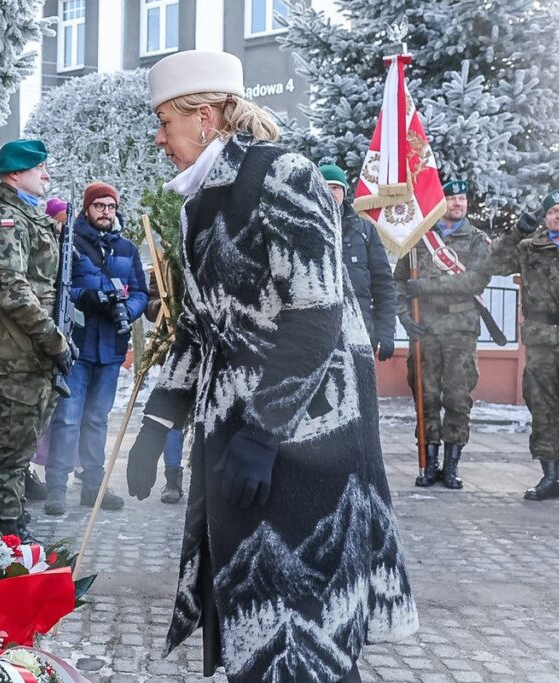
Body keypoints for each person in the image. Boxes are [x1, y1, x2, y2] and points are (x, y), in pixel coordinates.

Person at [125, 49, 417, 682]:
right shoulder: (196, 202)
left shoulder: (284, 173)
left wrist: (262, 431)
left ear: (203, 117)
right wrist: (158, 421)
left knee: (308, 624)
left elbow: (316, 315)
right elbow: (202, 326)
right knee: (251, 620)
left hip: (309, 437)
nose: (157, 137)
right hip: (242, 440)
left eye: (163, 122)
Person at [406, 189, 559, 508]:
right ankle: (550, 477)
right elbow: (490, 265)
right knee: (543, 412)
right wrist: (516, 232)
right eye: (553, 211)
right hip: (540, 345)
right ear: (545, 217)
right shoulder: (529, 249)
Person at [0, 139, 70, 538]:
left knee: (23, 447)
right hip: (17, 352)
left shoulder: (28, 218)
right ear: (15, 174)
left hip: (33, 352)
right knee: (9, 452)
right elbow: (11, 290)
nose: (46, 175)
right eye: (38, 168)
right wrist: (54, 339)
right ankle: (2, 529)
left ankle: (9, 519)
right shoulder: (5, 222)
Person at [43, 182, 148, 516]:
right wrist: (83, 298)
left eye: (111, 206)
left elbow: (141, 294)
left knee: (97, 420)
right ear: (87, 209)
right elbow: (57, 287)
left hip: (111, 347)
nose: (106, 212)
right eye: (99, 206)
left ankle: (93, 486)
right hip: (77, 346)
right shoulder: (69, 243)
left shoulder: (127, 248)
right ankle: (56, 487)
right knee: (68, 418)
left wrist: (126, 311)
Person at [394, 179, 491, 489]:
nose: (458, 203)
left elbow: (475, 282)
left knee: (458, 397)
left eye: (462, 198)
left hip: (460, 330)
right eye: (451, 198)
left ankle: (451, 466)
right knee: (426, 397)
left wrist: (428, 287)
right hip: (424, 329)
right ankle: (429, 463)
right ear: (439, 203)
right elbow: (397, 282)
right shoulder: (418, 239)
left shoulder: (478, 240)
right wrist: (404, 316)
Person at [319, 163, 396, 361]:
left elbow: (383, 284)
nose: (330, 193)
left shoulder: (364, 230)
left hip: (358, 332)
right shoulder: (301, 228)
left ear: (344, 192)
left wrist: (385, 333)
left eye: (336, 188)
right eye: (324, 187)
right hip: (314, 336)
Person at [145, 272, 185, 504]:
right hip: (175, 353)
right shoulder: (163, 265)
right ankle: (172, 479)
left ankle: (208, 479)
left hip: (214, 350)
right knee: (173, 420)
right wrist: (163, 305)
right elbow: (149, 306)